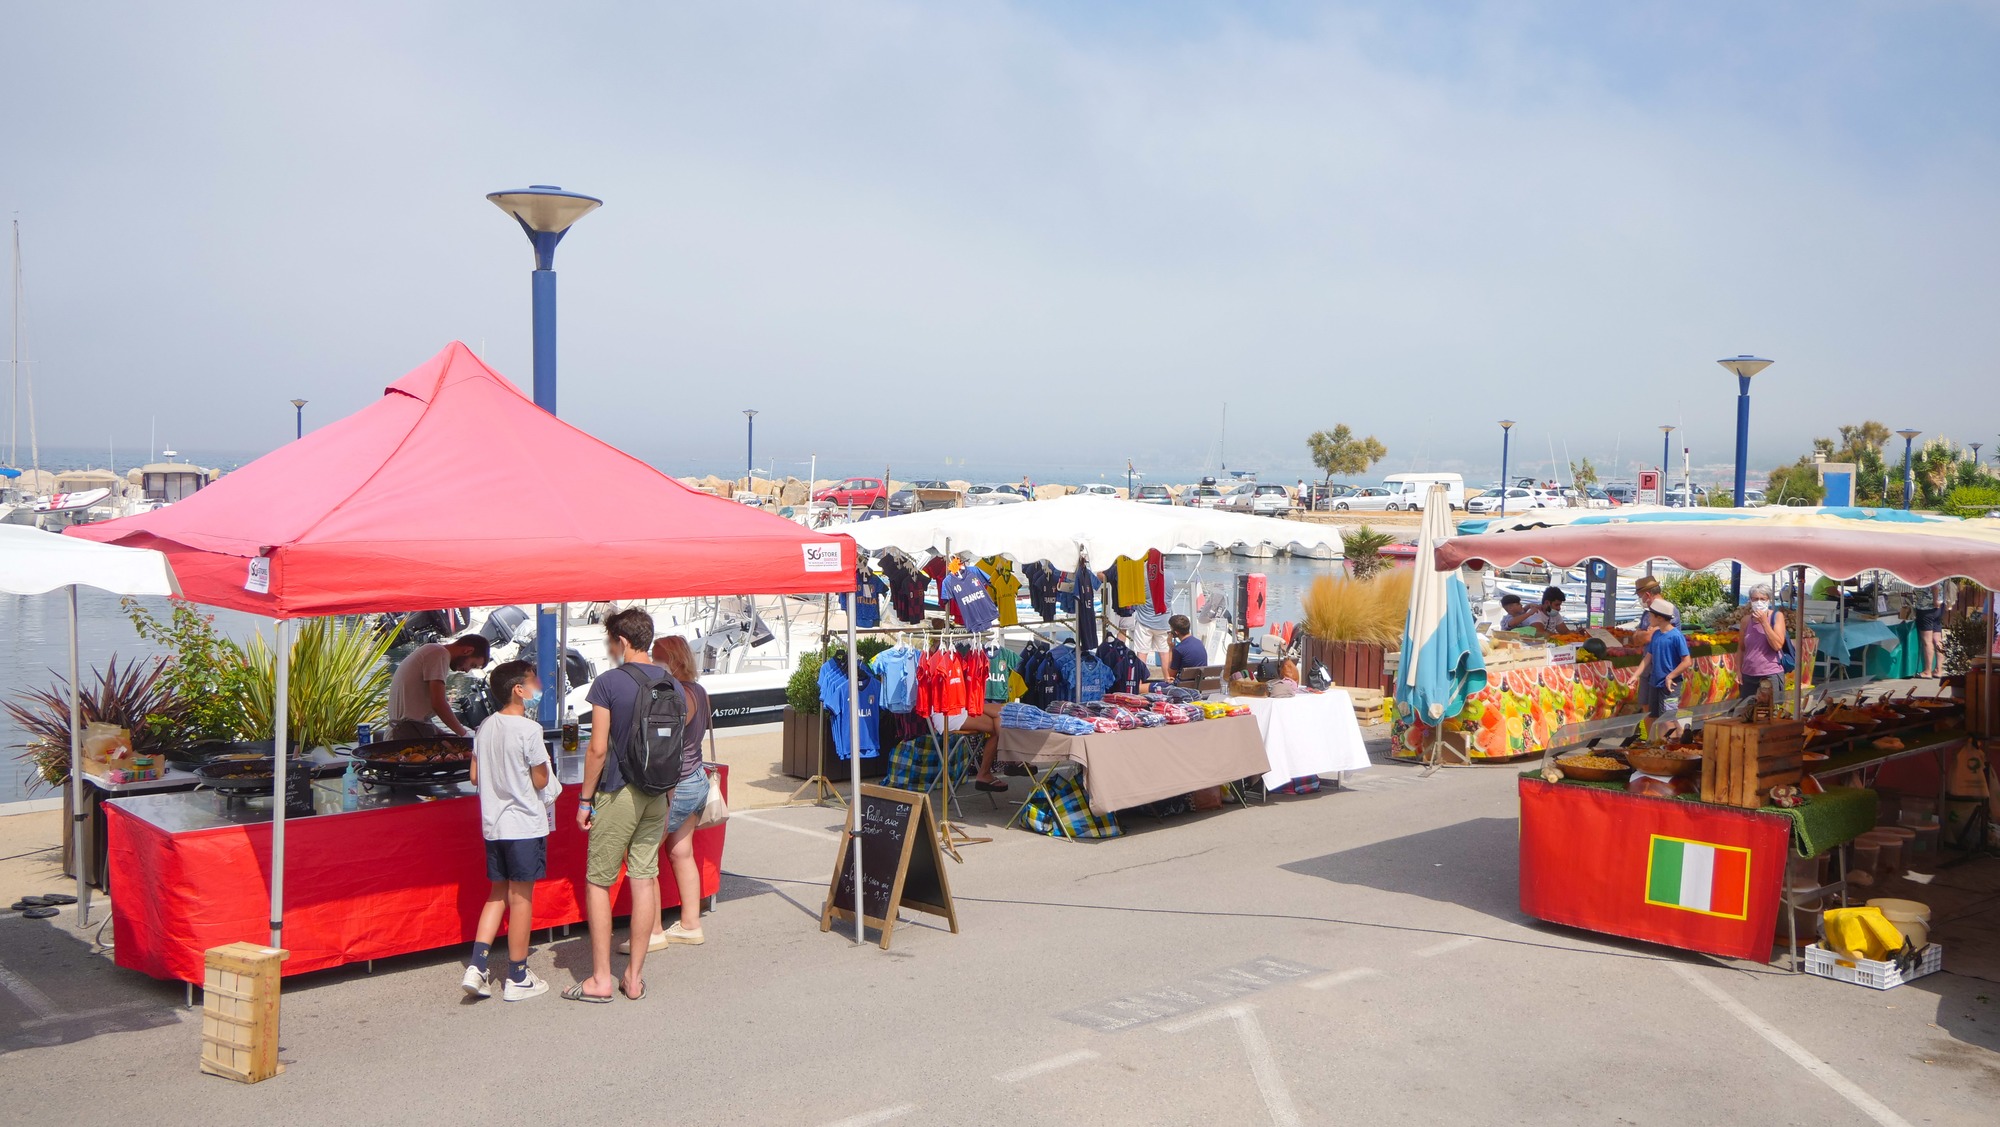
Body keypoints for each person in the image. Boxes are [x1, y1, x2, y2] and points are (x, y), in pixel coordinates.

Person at [566, 608, 686, 1003]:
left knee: (598, 881)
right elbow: (676, 747)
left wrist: (585, 799)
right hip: (658, 791)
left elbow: (597, 749)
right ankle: (633, 978)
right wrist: (667, 794)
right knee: (643, 876)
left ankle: (601, 978)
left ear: (621, 641)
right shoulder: (673, 683)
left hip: (618, 792)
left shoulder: (608, 683)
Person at [618, 636, 717, 955]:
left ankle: (654, 930)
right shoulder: (698, 691)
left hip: (675, 785)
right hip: (696, 778)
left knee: (642, 855)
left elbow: (665, 750)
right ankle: (690, 924)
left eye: (657, 656)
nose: (651, 661)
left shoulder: (674, 694)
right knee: (680, 851)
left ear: (673, 660)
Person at [461, 660, 554, 1002]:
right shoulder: (529, 730)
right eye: (534, 682)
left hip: (494, 824)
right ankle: (517, 974)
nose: (538, 688)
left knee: (497, 894)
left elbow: (474, 776)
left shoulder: (485, 726)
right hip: (523, 823)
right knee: (521, 897)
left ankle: (477, 965)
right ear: (519, 689)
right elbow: (541, 778)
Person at [387, 635, 491, 738]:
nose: (467, 670)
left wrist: (438, 730)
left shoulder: (432, 650)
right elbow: (439, 704)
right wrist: (464, 735)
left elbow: (415, 711)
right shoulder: (439, 654)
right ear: (468, 651)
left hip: (405, 729)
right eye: (472, 665)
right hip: (406, 733)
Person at [1635, 600, 1692, 740]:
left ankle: (1675, 741)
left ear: (1659, 618)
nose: (1648, 619)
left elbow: (1687, 661)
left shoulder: (1676, 636)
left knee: (1668, 718)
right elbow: (1648, 657)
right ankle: (1660, 744)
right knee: (1655, 716)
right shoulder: (1656, 635)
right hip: (1655, 682)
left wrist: (1670, 676)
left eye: (1651, 616)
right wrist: (1635, 675)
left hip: (1671, 685)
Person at [1736, 583, 1788, 701]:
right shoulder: (1746, 621)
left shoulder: (1776, 616)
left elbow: (1777, 645)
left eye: (1762, 599)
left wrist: (1764, 623)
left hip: (1770, 673)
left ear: (1768, 600)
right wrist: (1738, 671)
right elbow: (1741, 648)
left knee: (1772, 711)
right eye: (1755, 599)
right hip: (1748, 674)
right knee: (1747, 711)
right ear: (1750, 601)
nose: (1759, 602)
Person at [1912, 583, 1946, 679]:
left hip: (1926, 607)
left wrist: (1935, 600)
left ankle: (1927, 671)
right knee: (1938, 638)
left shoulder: (1927, 572)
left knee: (1927, 640)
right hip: (1938, 607)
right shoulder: (1939, 571)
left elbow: (1935, 586)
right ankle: (1939, 669)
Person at [1165, 614, 1209, 681]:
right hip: (1199, 685)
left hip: (1182, 687)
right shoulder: (1199, 643)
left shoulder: (1179, 649)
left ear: (1176, 632)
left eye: (1171, 629)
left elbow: (1170, 675)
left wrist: (1171, 648)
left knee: (1144, 687)